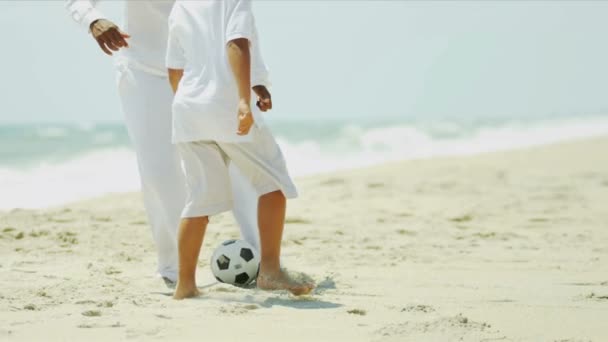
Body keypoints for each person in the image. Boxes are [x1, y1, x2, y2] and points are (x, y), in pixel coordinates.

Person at [65, 0, 272, 285]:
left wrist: (257, 79)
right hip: (143, 72)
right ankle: (175, 270)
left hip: (209, 72)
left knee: (238, 163)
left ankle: (263, 261)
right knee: (159, 171)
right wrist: (92, 19)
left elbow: (239, 17)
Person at [166, 0, 314, 299]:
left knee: (199, 199)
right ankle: (270, 271)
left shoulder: (180, 6)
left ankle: (185, 286)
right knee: (273, 182)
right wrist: (243, 100)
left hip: (188, 109)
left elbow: (174, 68)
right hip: (226, 106)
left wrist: (254, 86)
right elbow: (236, 44)